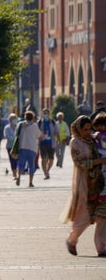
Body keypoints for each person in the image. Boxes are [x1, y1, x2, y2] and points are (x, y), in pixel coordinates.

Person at [62, 115, 106, 257]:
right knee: (85, 217)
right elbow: (80, 163)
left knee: (102, 216)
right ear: (79, 129)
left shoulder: (93, 140)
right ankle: (72, 239)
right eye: (85, 129)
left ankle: (101, 247)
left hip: (99, 182)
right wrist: (99, 162)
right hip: (84, 184)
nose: (88, 132)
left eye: (89, 129)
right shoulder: (75, 142)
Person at [14, 110, 43, 188]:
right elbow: (38, 135)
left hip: (22, 146)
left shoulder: (20, 125)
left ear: (25, 117)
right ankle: (30, 182)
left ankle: (18, 177)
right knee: (31, 165)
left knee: (21, 164)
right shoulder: (35, 126)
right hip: (32, 148)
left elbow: (16, 134)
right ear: (32, 118)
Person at [37, 108, 58, 180]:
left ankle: (47, 170)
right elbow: (36, 132)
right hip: (42, 143)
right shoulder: (39, 122)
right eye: (43, 113)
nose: (45, 115)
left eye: (46, 113)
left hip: (51, 143)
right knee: (44, 158)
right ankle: (46, 174)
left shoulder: (53, 122)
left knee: (51, 160)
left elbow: (57, 131)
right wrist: (39, 137)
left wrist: (58, 139)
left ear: (49, 114)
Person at [4, 113, 19, 180]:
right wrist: (15, 138)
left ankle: (18, 173)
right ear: (10, 120)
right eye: (13, 119)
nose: (14, 120)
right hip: (10, 146)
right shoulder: (7, 128)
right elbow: (6, 136)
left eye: (15, 119)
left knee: (18, 160)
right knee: (12, 160)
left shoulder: (18, 127)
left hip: (18, 146)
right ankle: (14, 174)